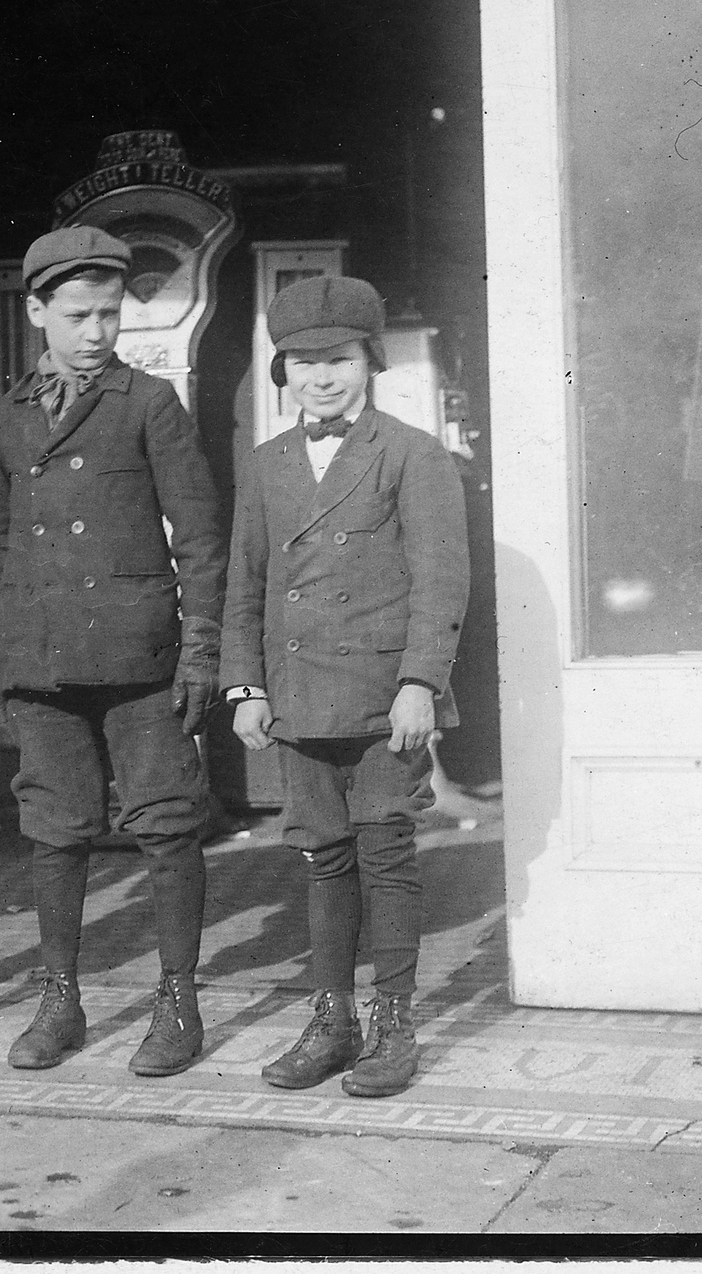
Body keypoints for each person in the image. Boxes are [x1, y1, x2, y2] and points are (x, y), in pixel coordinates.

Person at [0, 227, 227, 1076]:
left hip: (140, 657)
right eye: (78, 314)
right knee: (55, 828)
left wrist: (201, 654)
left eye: (110, 314)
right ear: (38, 310)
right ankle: (60, 998)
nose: (96, 332)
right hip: (42, 657)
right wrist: (2, 656)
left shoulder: (150, 402)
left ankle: (177, 1000)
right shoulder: (4, 413)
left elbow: (199, 538)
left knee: (166, 824)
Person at [222, 274, 470, 1098]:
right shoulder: (266, 464)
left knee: (386, 852)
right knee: (323, 857)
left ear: (371, 361)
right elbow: (245, 583)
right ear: (281, 372)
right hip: (297, 693)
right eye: (302, 361)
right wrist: (244, 685)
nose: (321, 376)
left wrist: (420, 681)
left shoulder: (411, 453)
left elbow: (440, 581)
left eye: (339, 359)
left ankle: (392, 1023)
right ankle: (331, 1019)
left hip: (380, 696)